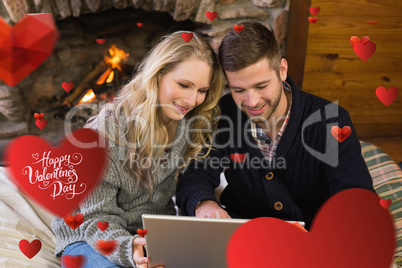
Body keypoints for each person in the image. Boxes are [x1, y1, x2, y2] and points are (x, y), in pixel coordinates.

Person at [176, 21, 375, 230]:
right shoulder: (224, 114)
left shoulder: (332, 120)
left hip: (311, 240)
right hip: (242, 235)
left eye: (261, 86)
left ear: (282, 70)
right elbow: (195, 173)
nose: (252, 102)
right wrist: (204, 204)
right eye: (239, 90)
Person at [51, 31, 223, 267]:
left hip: (148, 236)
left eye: (202, 91)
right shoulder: (105, 133)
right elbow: (95, 218)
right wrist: (128, 249)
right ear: (157, 75)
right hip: (89, 235)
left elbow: (185, 186)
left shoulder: (189, 126)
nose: (192, 100)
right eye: (184, 85)